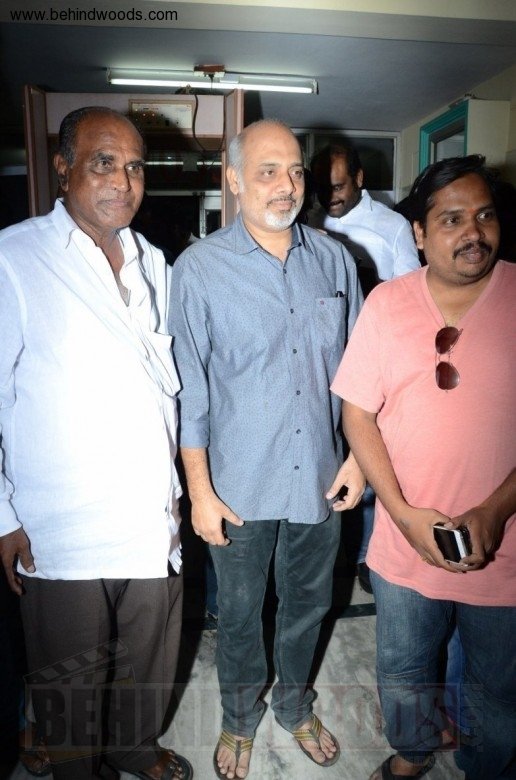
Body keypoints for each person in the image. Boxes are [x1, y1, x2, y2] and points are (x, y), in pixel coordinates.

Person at [0, 106, 192, 780]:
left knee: (149, 658)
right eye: (104, 162)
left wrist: (177, 492)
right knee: (71, 682)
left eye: (135, 166)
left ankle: (135, 748)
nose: (123, 181)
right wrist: (2, 516)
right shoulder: (15, 256)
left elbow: (165, 388)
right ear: (63, 169)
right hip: (63, 526)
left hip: (148, 515)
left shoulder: (153, 262)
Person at [169, 119, 364, 779]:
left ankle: (295, 704)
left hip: (320, 479)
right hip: (238, 487)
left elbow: (359, 375)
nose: (286, 185)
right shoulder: (199, 270)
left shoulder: (335, 260)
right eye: (267, 171)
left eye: (295, 171)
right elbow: (190, 392)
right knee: (240, 612)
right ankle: (238, 716)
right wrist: (200, 493)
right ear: (233, 180)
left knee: (309, 603)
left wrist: (358, 458)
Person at [331, 154, 516, 780]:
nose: (473, 232)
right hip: (404, 545)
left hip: (506, 549)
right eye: (452, 219)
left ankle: (485, 767)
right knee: (404, 673)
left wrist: (494, 510)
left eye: (485, 216)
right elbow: (358, 415)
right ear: (418, 232)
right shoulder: (387, 304)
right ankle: (411, 757)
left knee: (499, 689)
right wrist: (405, 515)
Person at [310, 142, 420, 593]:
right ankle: (330, 547)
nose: (330, 197)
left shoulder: (391, 226)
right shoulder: (309, 222)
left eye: (338, 187)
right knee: (327, 450)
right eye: (323, 189)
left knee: (372, 451)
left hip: (376, 356)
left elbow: (413, 294)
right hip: (324, 357)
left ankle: (366, 556)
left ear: (358, 179)